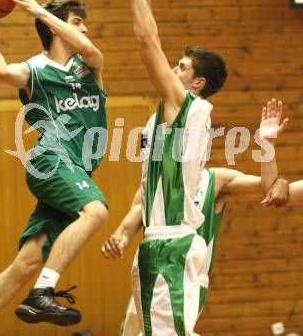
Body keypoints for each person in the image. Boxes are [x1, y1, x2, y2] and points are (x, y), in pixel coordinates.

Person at [0, 0, 109, 336]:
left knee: (26, 263)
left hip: (76, 169)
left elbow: (87, 46)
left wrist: (38, 10)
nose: (84, 27)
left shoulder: (90, 65)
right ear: (54, 27)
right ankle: (43, 291)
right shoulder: (34, 70)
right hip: (52, 159)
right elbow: (1, 70)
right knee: (96, 211)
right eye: (76, 20)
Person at [102, 101, 289, 336]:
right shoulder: (150, 187)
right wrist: (119, 238)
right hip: (154, 268)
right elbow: (128, 226)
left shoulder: (216, 180)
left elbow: (267, 186)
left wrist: (274, 165)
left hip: (189, 276)